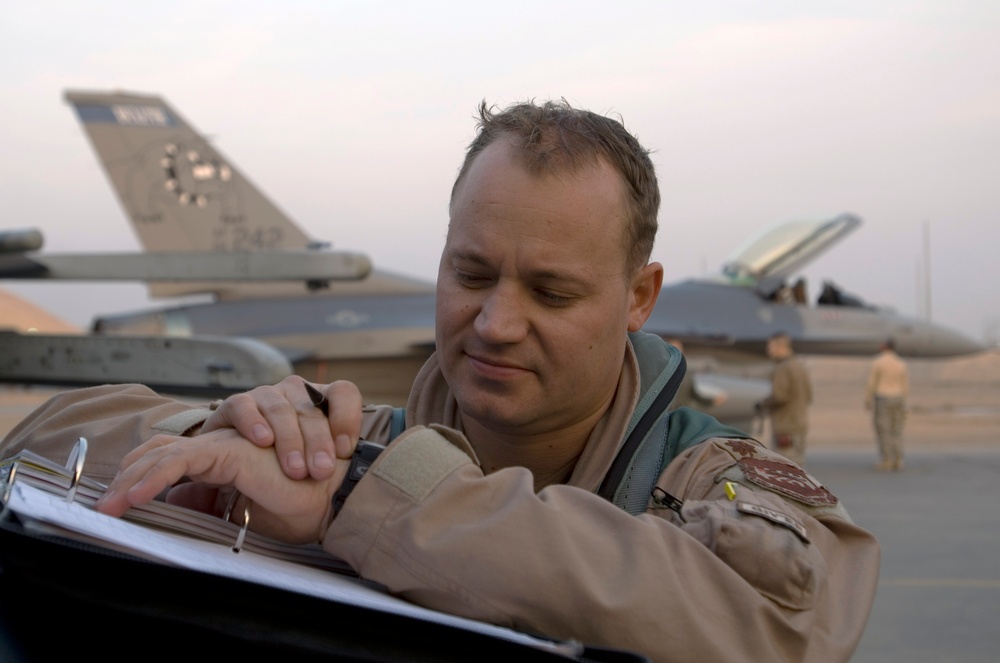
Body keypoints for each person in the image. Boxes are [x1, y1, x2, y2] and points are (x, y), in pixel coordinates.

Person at [1, 100, 878, 662]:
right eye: (471, 274)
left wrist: (358, 498)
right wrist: (220, 444)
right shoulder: (348, 442)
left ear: (639, 296)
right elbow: (42, 434)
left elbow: (787, 626)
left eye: (552, 291)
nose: (495, 323)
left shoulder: (700, 475)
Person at [757, 332, 812, 466]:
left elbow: (780, 396)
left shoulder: (782, 368)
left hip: (785, 427)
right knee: (798, 467)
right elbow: (809, 396)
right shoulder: (800, 367)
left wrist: (763, 404)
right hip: (799, 425)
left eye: (770, 346)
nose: (768, 350)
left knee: (784, 468)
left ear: (779, 346)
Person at [865, 338, 909, 471]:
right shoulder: (900, 363)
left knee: (883, 430)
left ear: (884, 346)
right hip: (898, 398)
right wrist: (904, 401)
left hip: (883, 398)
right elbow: (905, 384)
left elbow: (871, 383)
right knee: (897, 430)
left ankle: (887, 460)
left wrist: (868, 399)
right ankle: (898, 459)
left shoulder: (878, 362)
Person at [665, 338, 727, 411]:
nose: (676, 354)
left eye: (678, 351)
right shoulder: (660, 373)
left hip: (680, 414)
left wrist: (712, 401)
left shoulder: (687, 373)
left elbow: (694, 394)